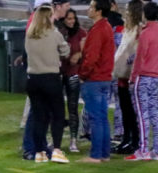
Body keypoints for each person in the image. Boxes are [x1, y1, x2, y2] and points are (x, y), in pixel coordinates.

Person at [25, 3, 72, 162]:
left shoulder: (29, 34)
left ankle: (39, 153)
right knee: (58, 115)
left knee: (39, 117)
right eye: (52, 15)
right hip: (50, 79)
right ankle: (57, 150)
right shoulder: (54, 33)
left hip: (33, 80)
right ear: (47, 18)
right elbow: (66, 52)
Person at [80, 0, 117, 161]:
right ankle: (104, 154)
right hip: (105, 78)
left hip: (94, 79)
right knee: (102, 117)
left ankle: (95, 155)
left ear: (98, 11)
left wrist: (82, 74)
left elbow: (91, 57)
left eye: (91, 7)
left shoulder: (97, 30)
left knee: (95, 118)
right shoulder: (107, 27)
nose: (88, 9)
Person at [127, 1, 158, 160]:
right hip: (156, 78)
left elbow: (139, 59)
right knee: (155, 113)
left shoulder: (146, 34)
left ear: (145, 14)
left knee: (141, 114)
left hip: (144, 77)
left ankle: (144, 149)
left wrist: (132, 78)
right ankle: (156, 149)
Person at [112, 0, 144, 153]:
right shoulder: (128, 29)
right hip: (122, 75)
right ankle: (126, 139)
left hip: (131, 76)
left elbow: (136, 53)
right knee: (125, 110)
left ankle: (135, 141)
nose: (125, 12)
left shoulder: (139, 30)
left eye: (128, 9)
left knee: (132, 111)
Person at [57, 7, 87, 152]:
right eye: (68, 19)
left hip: (73, 73)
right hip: (58, 72)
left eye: (73, 18)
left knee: (73, 107)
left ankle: (73, 140)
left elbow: (86, 50)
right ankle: (56, 139)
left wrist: (79, 54)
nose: (71, 21)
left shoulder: (81, 33)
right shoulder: (58, 32)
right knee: (56, 108)